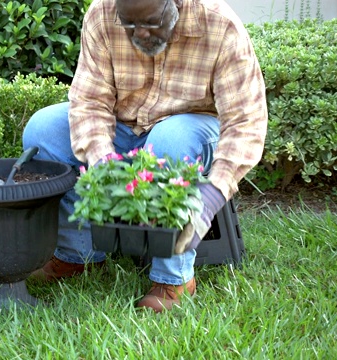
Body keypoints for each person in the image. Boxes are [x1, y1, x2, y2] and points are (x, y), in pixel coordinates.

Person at [22, 0, 267, 312]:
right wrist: (101, 162)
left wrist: (214, 193)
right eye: (129, 23)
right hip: (122, 124)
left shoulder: (220, 25)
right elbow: (89, 101)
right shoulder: (102, 13)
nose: (139, 32)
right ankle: (77, 256)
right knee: (43, 131)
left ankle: (173, 278)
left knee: (169, 141)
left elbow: (245, 123)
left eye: (151, 22)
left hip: (189, 127)